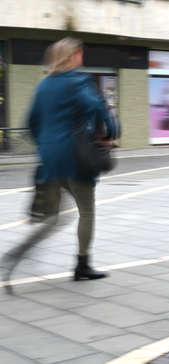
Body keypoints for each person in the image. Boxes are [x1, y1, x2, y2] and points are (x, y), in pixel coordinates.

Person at [1, 37, 120, 289]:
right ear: (73, 56)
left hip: (49, 162)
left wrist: (47, 147)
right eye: (79, 53)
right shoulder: (78, 81)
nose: (81, 57)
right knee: (86, 211)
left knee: (53, 218)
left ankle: (17, 253)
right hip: (76, 159)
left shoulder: (43, 85)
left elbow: (32, 123)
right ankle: (82, 265)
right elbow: (97, 108)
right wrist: (110, 132)